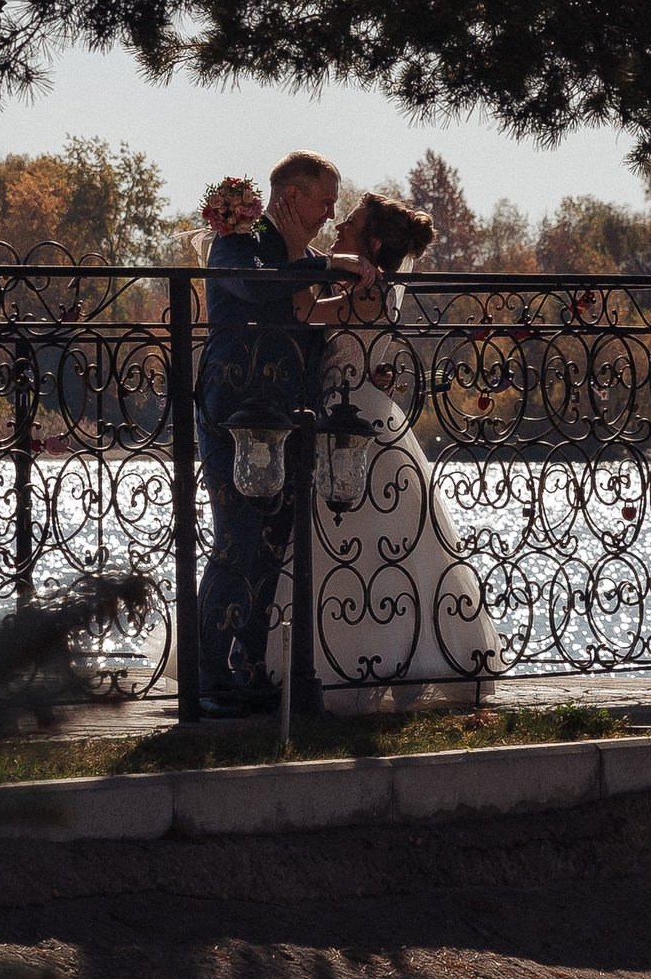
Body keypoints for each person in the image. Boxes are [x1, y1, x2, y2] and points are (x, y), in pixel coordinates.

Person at [294, 195, 506, 697]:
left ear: (370, 243)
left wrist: (309, 255)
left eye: (350, 223)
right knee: (368, 543)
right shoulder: (371, 287)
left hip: (352, 421)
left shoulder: (367, 291)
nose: (338, 225)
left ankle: (358, 662)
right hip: (362, 410)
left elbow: (300, 310)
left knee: (356, 538)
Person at [194, 151, 369, 712]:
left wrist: (353, 283)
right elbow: (262, 289)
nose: (329, 212)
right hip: (235, 411)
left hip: (288, 415)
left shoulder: (306, 257)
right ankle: (207, 677)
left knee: (271, 546)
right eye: (323, 201)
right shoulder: (236, 242)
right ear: (291, 196)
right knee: (235, 540)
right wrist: (317, 264)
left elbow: (306, 315)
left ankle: (248, 673)